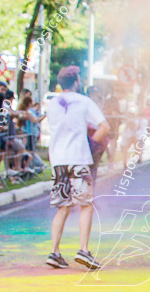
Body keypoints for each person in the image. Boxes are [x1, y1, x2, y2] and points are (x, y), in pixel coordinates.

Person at [45, 66, 110, 270]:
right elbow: (104, 127)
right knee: (85, 204)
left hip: (58, 160)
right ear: (76, 82)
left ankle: (54, 252)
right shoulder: (84, 101)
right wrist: (91, 146)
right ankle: (83, 249)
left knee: (62, 206)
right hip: (78, 158)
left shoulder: (52, 103)